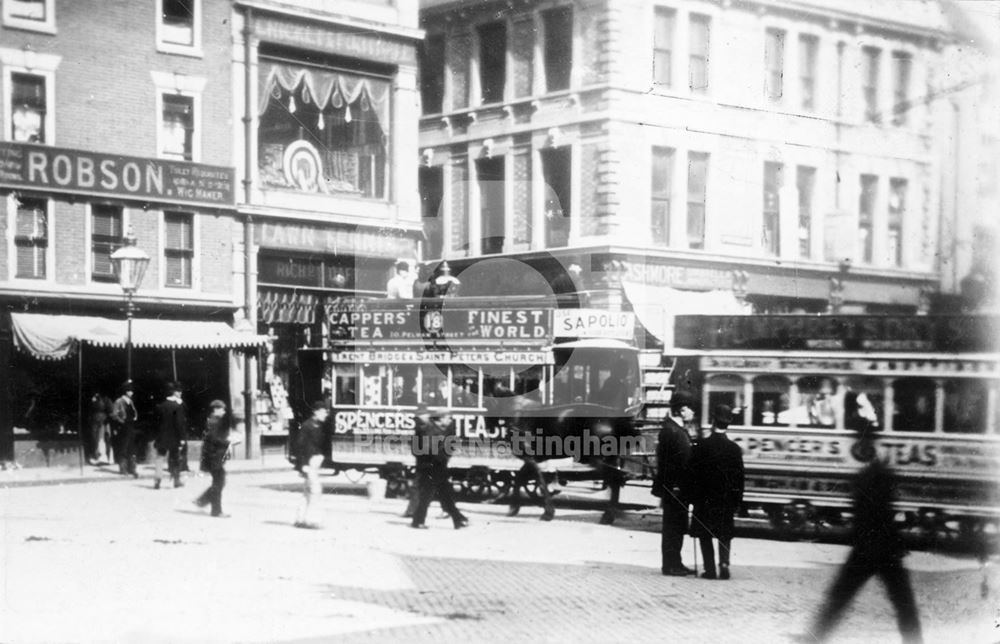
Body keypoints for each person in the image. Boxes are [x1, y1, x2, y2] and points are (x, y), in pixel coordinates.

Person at [810, 392, 923, 643]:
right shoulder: (884, 474)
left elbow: (865, 516)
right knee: (903, 603)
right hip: (886, 550)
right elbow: (888, 514)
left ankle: (814, 638)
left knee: (839, 598)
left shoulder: (863, 478)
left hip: (864, 550)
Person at [689, 404, 745, 580]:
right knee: (724, 533)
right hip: (726, 500)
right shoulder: (734, 449)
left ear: (713, 421)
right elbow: (739, 479)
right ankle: (724, 564)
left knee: (704, 534)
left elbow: (693, 475)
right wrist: (737, 501)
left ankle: (710, 569)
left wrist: (693, 497)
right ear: (728, 424)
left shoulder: (701, 446)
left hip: (704, 500)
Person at [652, 391, 697, 576]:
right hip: (675, 487)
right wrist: (675, 485)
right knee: (672, 527)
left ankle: (675, 562)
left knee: (677, 526)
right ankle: (670, 565)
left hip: (678, 487)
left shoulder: (676, 429)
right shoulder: (671, 431)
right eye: (691, 409)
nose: (693, 413)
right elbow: (670, 463)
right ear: (682, 409)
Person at [411, 408, 468, 530]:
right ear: (441, 419)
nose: (450, 420)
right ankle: (458, 520)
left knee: (442, 494)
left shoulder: (441, 430)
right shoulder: (430, 430)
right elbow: (425, 449)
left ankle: (458, 520)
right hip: (432, 467)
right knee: (434, 495)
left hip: (438, 466)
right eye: (448, 417)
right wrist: (439, 457)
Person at [294, 401, 329, 529]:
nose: (326, 414)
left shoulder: (318, 426)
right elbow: (300, 446)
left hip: (314, 462)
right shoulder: (307, 426)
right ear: (316, 411)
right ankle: (310, 520)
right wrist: (303, 464)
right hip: (308, 463)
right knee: (315, 491)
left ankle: (300, 518)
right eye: (323, 411)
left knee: (307, 492)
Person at [195, 400, 231, 518]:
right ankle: (215, 510)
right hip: (214, 457)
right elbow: (215, 440)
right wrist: (227, 442)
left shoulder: (213, 421)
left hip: (214, 456)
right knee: (219, 483)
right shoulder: (215, 422)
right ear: (215, 409)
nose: (224, 411)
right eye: (222, 409)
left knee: (219, 482)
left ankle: (203, 500)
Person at [153, 382, 188, 489]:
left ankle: (157, 480)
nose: (180, 393)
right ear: (174, 392)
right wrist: (182, 438)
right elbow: (179, 423)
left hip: (162, 436)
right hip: (174, 437)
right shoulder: (178, 406)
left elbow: (156, 422)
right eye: (179, 391)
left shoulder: (162, 405)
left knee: (159, 458)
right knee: (175, 458)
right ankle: (176, 480)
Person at [110, 382, 139, 478]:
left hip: (131, 426)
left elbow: (134, 412)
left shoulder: (130, 402)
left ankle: (132, 468)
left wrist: (135, 417)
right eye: (130, 390)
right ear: (126, 391)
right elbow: (114, 414)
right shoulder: (119, 401)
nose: (132, 392)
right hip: (123, 427)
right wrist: (121, 421)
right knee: (123, 447)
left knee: (132, 448)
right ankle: (123, 468)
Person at [87, 390, 113, 465]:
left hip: (100, 421)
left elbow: (110, 409)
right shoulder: (105, 399)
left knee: (98, 438)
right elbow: (111, 410)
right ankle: (102, 457)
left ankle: (99, 457)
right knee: (100, 439)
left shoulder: (103, 399)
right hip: (102, 420)